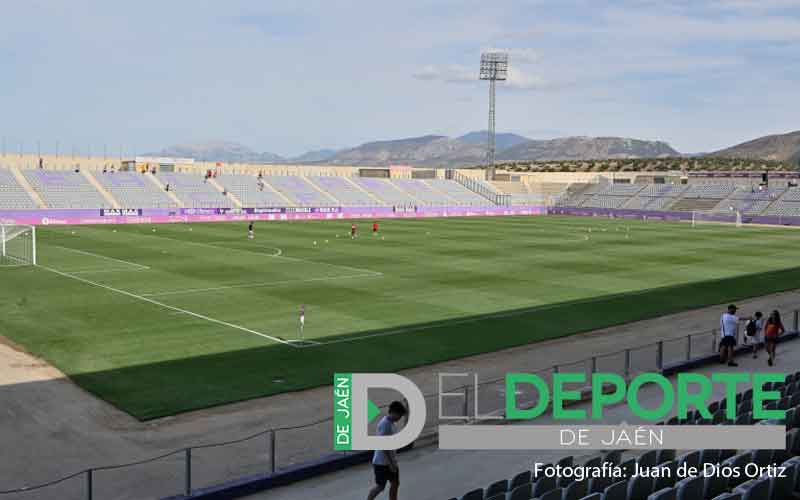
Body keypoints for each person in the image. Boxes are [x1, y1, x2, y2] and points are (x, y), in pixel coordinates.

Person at [366, 401, 407, 500]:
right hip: (382, 463)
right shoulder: (385, 425)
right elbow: (384, 447)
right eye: (399, 415)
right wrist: (391, 464)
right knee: (380, 486)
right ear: (393, 412)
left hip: (390, 461)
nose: (400, 418)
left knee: (395, 483)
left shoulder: (391, 423)